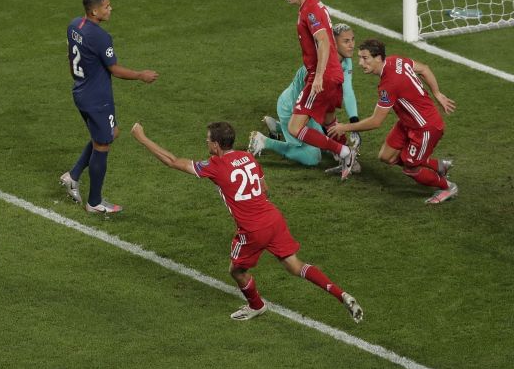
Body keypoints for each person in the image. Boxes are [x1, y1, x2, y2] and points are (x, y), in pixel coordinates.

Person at [131, 121, 363, 323]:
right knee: (295, 265)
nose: (206, 143)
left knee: (237, 270)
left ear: (216, 145)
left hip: (253, 229)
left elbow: (172, 161)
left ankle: (256, 306)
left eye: (208, 140)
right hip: (273, 218)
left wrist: (142, 138)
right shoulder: (248, 156)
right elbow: (265, 189)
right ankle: (341, 294)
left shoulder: (215, 165)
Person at [60, 0, 158, 213]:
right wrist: (141, 75)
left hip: (80, 90)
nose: (110, 9)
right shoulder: (101, 37)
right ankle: (94, 202)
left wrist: (79, 80)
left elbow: (69, 57)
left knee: (110, 133)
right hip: (97, 98)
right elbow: (115, 69)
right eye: (106, 6)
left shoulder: (74, 25)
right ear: (95, 11)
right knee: (103, 143)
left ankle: (73, 175)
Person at [327, 39, 456, 204]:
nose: (360, 63)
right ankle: (439, 166)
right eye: (359, 57)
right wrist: (437, 93)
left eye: (365, 58)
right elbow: (424, 68)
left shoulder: (389, 85)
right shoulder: (396, 60)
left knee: (411, 168)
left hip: (425, 128)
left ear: (379, 58)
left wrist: (344, 127)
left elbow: (376, 121)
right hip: (407, 121)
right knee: (386, 156)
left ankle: (448, 187)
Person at [248, 23, 362, 173]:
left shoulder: (345, 61)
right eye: (346, 41)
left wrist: (353, 122)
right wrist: (341, 147)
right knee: (313, 157)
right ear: (333, 43)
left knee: (324, 136)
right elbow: (319, 109)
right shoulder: (321, 68)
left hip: (308, 106)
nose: (352, 45)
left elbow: (344, 93)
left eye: (353, 40)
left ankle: (278, 127)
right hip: (292, 109)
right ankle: (264, 141)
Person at [278, 0, 358, 178]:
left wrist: (319, 76)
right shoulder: (312, 6)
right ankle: (350, 160)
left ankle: (344, 152)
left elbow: (323, 41)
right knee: (330, 120)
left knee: (295, 127)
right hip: (333, 74)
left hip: (323, 75)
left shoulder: (310, 10)